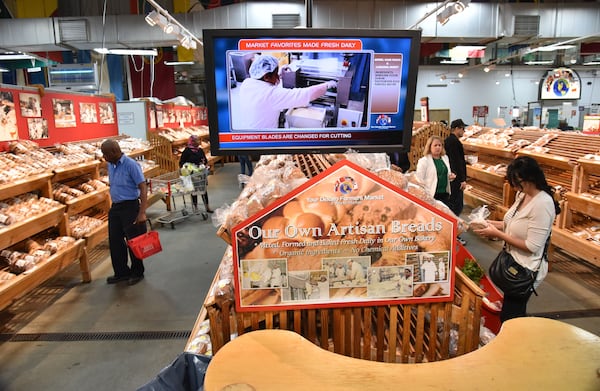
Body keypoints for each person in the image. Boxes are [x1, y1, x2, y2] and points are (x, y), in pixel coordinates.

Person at [472, 156, 560, 323]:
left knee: (511, 317)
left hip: (525, 269)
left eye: (517, 182)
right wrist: (489, 223)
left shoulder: (543, 204)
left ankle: (513, 346)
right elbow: (511, 223)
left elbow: (532, 246)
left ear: (530, 178)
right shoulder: (522, 194)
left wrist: (497, 235)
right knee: (510, 311)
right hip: (513, 261)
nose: (514, 187)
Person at [238, 54, 337, 129]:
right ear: (266, 76)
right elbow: (304, 94)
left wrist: (279, 74)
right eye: (275, 74)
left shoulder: (246, 83)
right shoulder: (271, 95)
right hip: (260, 142)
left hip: (245, 135)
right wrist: (327, 85)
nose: (278, 77)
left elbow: (267, 85)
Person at [101, 139, 148, 286]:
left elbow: (143, 187)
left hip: (130, 206)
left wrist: (142, 212)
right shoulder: (110, 165)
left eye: (105, 154)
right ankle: (121, 272)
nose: (104, 157)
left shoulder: (131, 165)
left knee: (133, 241)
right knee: (115, 241)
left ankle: (137, 272)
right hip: (116, 207)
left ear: (114, 152)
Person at [445, 119, 469, 245]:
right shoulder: (454, 142)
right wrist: (462, 179)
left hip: (453, 178)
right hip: (456, 180)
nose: (464, 131)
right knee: (456, 206)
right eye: (462, 129)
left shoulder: (449, 141)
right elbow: (457, 162)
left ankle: (454, 233)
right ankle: (455, 234)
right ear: (457, 129)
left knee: (454, 205)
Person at [416, 135, 455, 204]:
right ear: (430, 147)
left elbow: (447, 174)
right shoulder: (424, 161)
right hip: (431, 194)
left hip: (444, 194)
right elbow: (419, 179)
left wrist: (451, 176)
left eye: (440, 145)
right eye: (435, 145)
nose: (438, 147)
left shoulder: (445, 158)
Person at [179, 135, 213, 213]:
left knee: (203, 190)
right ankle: (195, 207)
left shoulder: (200, 150)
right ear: (192, 142)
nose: (199, 142)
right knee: (194, 191)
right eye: (197, 140)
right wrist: (187, 168)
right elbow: (181, 162)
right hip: (191, 174)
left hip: (201, 174)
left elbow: (205, 160)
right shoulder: (187, 151)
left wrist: (205, 164)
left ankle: (207, 207)